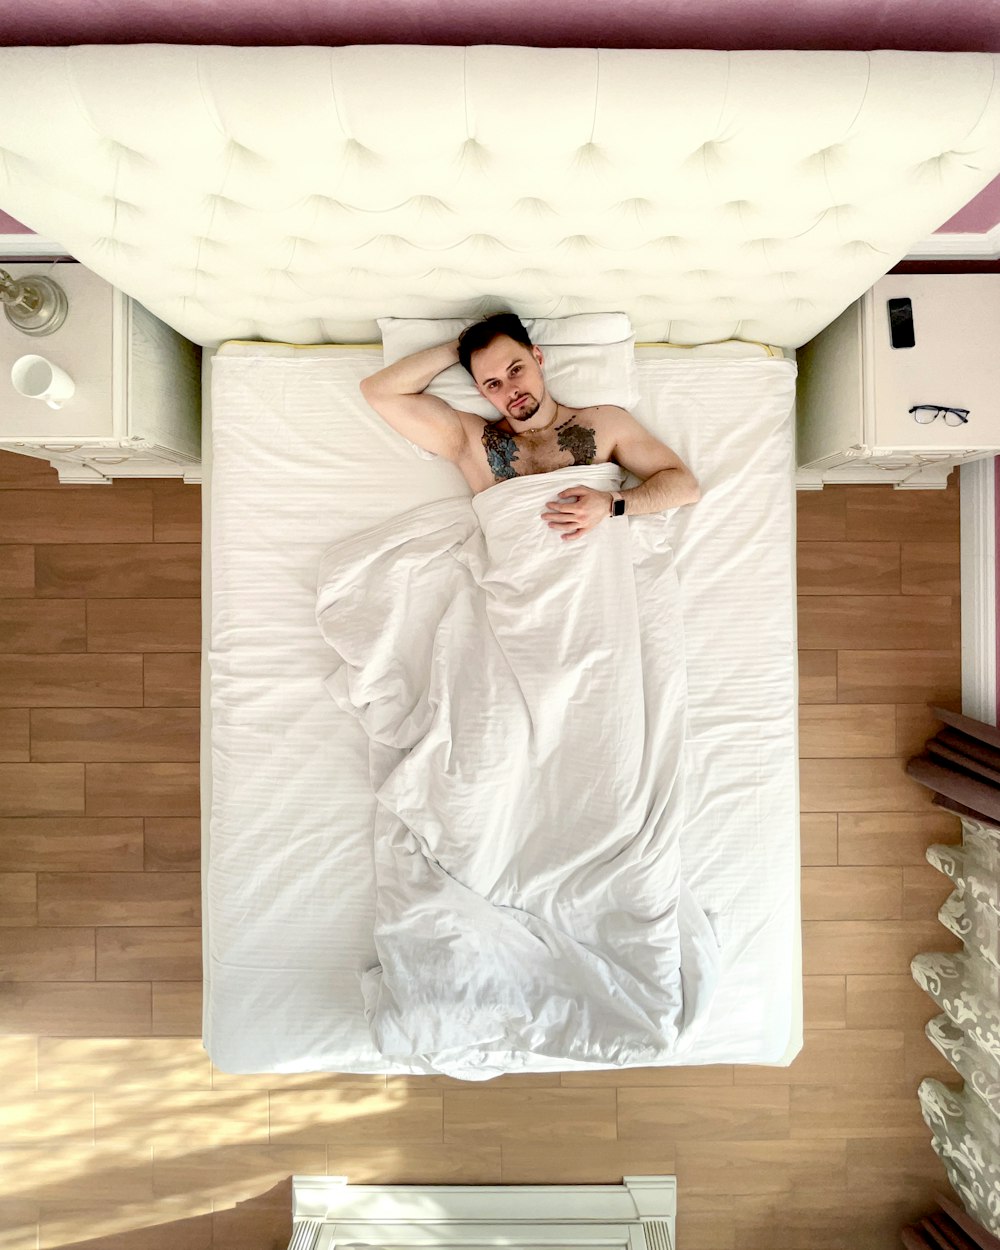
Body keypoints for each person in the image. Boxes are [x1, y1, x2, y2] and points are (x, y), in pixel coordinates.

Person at [360, 312, 701, 541]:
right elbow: (378, 391)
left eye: (515, 370)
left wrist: (613, 504)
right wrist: (459, 345)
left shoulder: (605, 422)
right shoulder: (471, 440)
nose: (510, 391)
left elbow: (684, 486)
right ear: (481, 392)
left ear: (538, 358)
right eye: (492, 384)